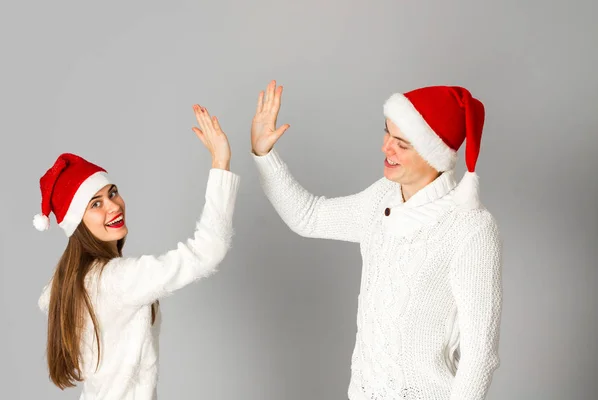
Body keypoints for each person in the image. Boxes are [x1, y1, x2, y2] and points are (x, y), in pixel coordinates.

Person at [250, 80, 502, 400]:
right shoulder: (381, 198)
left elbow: (480, 356)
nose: (386, 147)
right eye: (387, 132)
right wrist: (264, 154)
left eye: (402, 143)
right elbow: (308, 216)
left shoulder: (472, 229)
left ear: (434, 153)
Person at [35, 105, 239, 399]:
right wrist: (221, 161)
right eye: (95, 204)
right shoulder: (117, 280)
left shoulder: (65, 285)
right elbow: (208, 249)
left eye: (112, 192)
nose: (114, 206)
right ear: (77, 223)